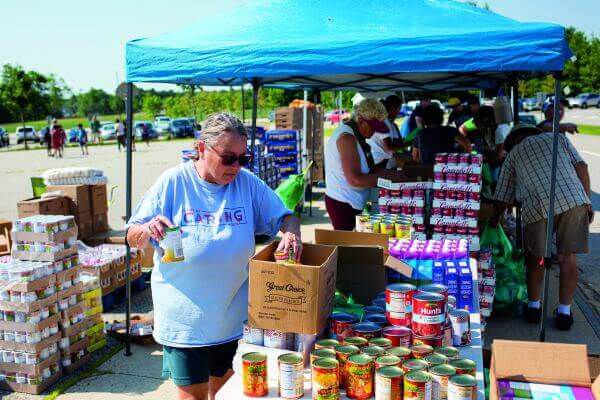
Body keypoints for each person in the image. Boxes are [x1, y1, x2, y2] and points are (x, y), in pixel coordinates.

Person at [126, 113, 301, 400]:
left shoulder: (247, 183)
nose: (236, 166)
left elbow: (286, 216)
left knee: (228, 394)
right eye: (228, 158)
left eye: (243, 159)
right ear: (201, 149)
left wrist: (291, 233)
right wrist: (146, 229)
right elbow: (132, 233)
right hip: (186, 325)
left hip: (233, 320)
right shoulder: (173, 182)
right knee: (194, 396)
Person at [491, 125, 592, 331]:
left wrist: (493, 221)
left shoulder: (513, 155)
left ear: (513, 143)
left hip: (537, 206)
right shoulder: (557, 139)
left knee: (536, 258)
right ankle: (564, 312)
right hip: (574, 200)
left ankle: (534, 306)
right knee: (568, 257)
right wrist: (587, 201)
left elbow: (502, 197)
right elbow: (582, 167)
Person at [325, 98, 405, 231]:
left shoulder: (358, 137)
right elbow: (355, 179)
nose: (374, 132)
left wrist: (396, 175)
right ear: (361, 121)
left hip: (352, 202)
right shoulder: (347, 137)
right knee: (345, 246)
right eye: (373, 128)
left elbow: (371, 170)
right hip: (342, 204)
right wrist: (388, 180)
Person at [367, 95, 406, 169]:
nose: (398, 113)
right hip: (382, 162)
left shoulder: (381, 120)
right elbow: (389, 147)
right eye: (398, 109)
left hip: (375, 160)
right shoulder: (384, 121)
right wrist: (409, 143)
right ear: (394, 108)